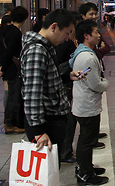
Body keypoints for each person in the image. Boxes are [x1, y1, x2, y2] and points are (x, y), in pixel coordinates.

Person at [20, 9, 81, 162]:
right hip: (47, 122)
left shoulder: (45, 47)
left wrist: (67, 76)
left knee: (52, 169)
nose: (67, 38)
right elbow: (32, 94)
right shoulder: (37, 50)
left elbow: (43, 81)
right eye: (67, 33)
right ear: (54, 27)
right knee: (46, 171)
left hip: (52, 119)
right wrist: (38, 131)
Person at [69, 20, 109, 185]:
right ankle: (85, 173)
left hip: (84, 103)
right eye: (96, 32)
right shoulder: (87, 57)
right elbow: (96, 84)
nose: (99, 35)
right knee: (86, 140)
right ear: (86, 36)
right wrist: (105, 83)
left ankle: (86, 167)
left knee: (87, 138)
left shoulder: (84, 52)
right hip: (87, 105)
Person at [78, 2, 109, 146]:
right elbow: (96, 52)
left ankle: (93, 136)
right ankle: (88, 145)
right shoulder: (81, 33)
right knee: (87, 117)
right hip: (86, 82)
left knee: (94, 112)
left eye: (95, 14)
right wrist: (99, 51)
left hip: (94, 73)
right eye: (91, 14)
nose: (94, 16)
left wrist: (100, 51)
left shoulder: (93, 30)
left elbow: (106, 47)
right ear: (83, 16)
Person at [55, 11, 82, 164]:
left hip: (66, 83)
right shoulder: (66, 44)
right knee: (69, 121)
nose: (69, 35)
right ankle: (65, 152)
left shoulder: (68, 43)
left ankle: (65, 152)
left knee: (70, 121)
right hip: (64, 89)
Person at [0, 7, 29, 133]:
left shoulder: (5, 31)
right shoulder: (16, 33)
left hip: (8, 67)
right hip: (13, 68)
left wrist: (1, 65)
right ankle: (10, 123)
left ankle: (10, 120)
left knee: (12, 95)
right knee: (13, 96)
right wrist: (4, 67)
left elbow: (3, 50)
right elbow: (10, 51)